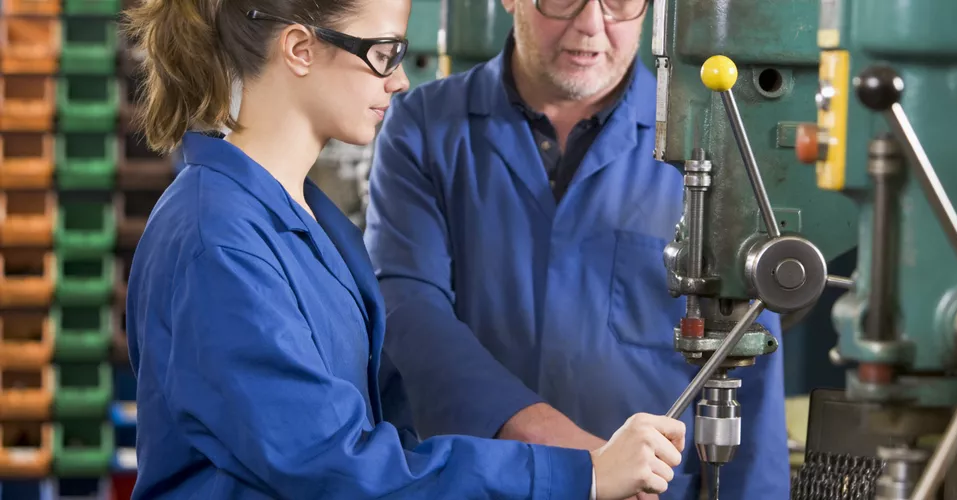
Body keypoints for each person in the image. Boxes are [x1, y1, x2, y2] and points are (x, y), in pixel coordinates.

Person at [120, 0, 688, 498]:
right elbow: (334, 466)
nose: (396, 81)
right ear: (300, 49)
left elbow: (382, 437)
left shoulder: (311, 223)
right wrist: (580, 476)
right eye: (383, 54)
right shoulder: (218, 241)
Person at [364, 0, 791, 498]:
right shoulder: (424, 125)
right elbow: (408, 308)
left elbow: (750, 355)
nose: (591, 25)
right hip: (477, 483)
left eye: (619, 2)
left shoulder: (715, 143)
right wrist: (577, 459)